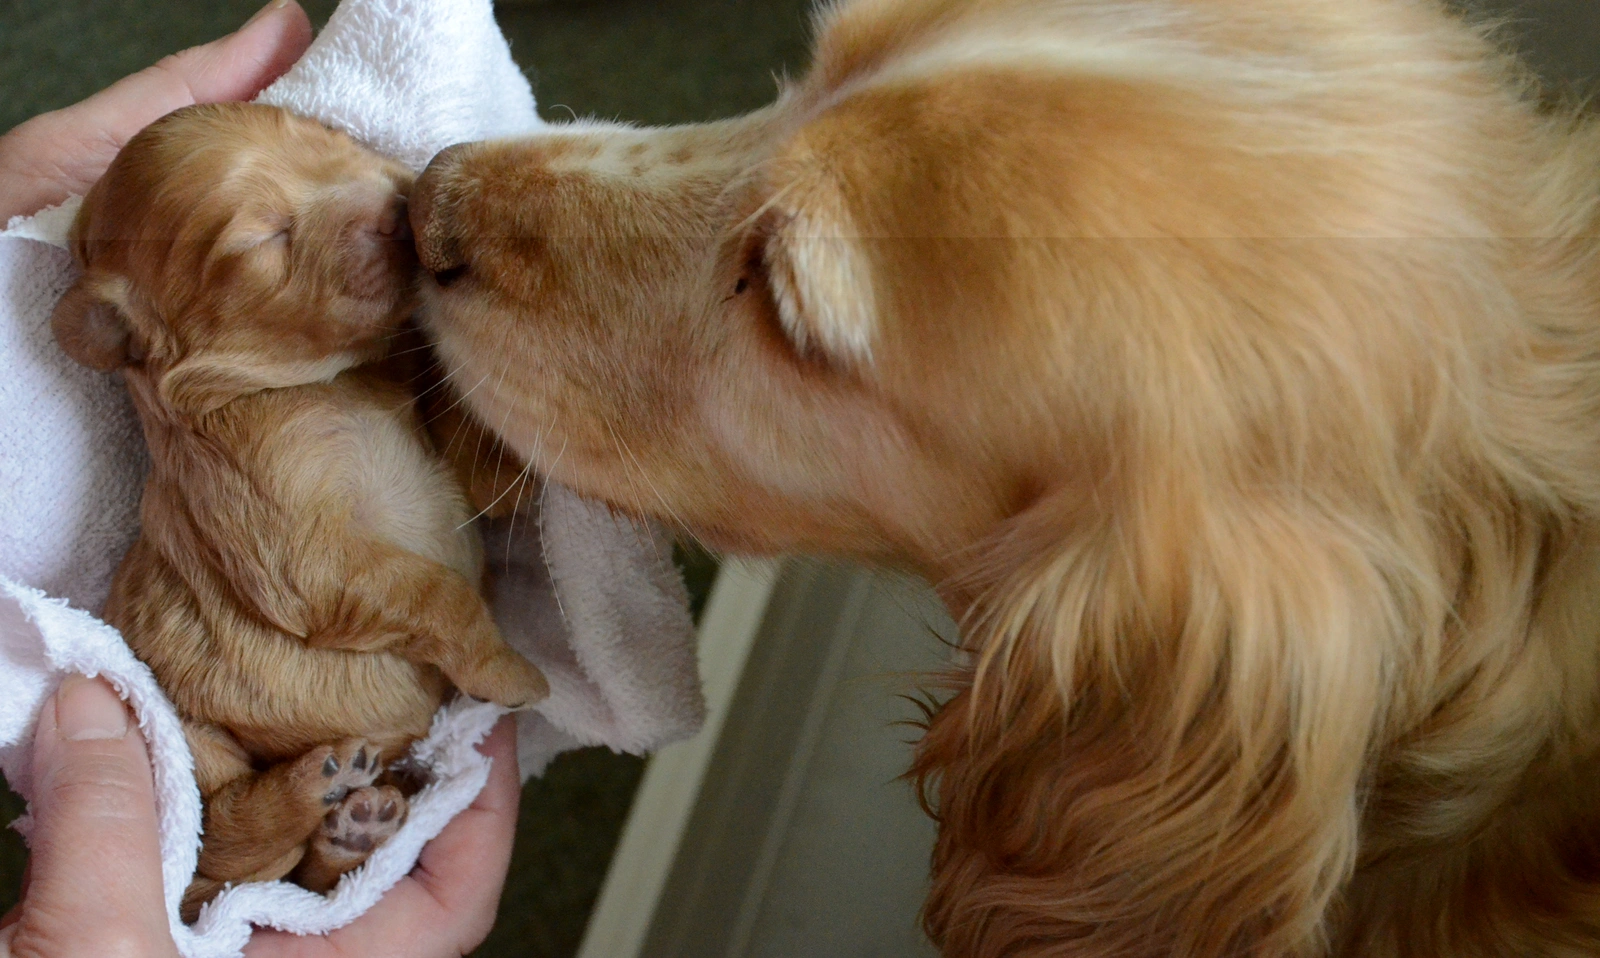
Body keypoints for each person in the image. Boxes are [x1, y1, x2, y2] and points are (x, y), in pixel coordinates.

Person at [0, 5, 522, 956]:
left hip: (373, 713)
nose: (375, 200)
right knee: (203, 805)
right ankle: (287, 826)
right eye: (268, 239)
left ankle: (332, 847)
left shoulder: (344, 357)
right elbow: (319, 588)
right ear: (137, 335)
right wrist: (477, 647)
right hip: (233, 722)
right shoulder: (241, 435)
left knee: (362, 816)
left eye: (332, 147)